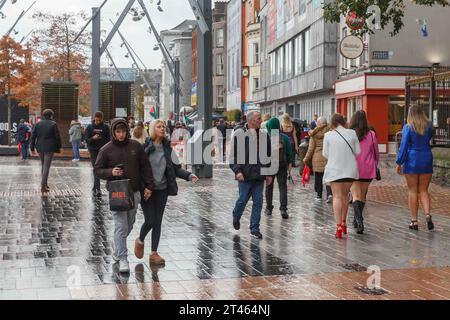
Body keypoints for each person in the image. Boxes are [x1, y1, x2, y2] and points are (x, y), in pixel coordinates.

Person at [94, 118, 155, 273]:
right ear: (114, 132)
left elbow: (145, 167)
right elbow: (97, 170)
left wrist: (149, 186)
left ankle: (117, 245)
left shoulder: (136, 146)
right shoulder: (106, 149)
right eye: (118, 132)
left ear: (127, 131)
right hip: (117, 192)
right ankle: (123, 258)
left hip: (134, 192)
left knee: (130, 223)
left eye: (123, 131)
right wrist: (110, 172)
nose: (121, 135)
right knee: (121, 226)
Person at [135, 119, 199, 266]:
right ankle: (140, 239)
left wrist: (189, 175)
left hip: (162, 190)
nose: (162, 128)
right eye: (159, 126)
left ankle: (154, 253)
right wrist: (144, 187)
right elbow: (140, 170)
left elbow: (176, 169)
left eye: (163, 126)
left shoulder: (168, 148)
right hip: (147, 190)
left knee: (158, 221)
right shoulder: (145, 147)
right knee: (150, 220)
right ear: (152, 129)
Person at [230, 111, 273, 239]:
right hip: (245, 175)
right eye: (258, 118)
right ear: (250, 121)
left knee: (258, 202)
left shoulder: (264, 135)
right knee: (242, 199)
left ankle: (254, 228)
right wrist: (237, 171)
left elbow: (269, 156)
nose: (261, 120)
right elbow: (233, 157)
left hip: (259, 176)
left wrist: (269, 173)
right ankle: (236, 215)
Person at [396, 106, 434, 231]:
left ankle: (414, 221)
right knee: (424, 190)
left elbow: (404, 144)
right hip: (426, 157)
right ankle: (428, 214)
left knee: (412, 191)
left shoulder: (408, 127)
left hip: (412, 158)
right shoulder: (428, 126)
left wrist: (399, 162)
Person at [323, 113, 361, 239]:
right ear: (343, 122)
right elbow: (358, 151)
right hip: (350, 169)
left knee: (337, 196)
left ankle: (338, 226)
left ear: (332, 123)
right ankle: (344, 223)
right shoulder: (352, 133)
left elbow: (325, 154)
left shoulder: (328, 135)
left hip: (335, 170)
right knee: (345, 196)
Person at [349, 111, 379, 234]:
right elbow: (376, 152)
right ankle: (358, 219)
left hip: (353, 167)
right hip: (368, 168)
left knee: (355, 195)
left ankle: (359, 220)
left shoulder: (350, 134)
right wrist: (376, 164)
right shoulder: (371, 134)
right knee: (362, 195)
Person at [264, 117, 293, 219]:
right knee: (282, 187)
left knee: (269, 187)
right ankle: (283, 209)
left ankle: (268, 208)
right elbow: (289, 153)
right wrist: (290, 164)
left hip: (269, 166)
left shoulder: (266, 137)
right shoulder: (284, 138)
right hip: (282, 165)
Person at [30, 109, 62, 194]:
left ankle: (45, 184)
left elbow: (33, 136)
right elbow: (57, 137)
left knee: (43, 165)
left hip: (40, 147)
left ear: (43, 115)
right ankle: (43, 186)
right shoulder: (53, 124)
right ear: (51, 116)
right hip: (50, 148)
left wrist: (32, 148)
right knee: (46, 167)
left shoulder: (37, 124)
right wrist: (59, 147)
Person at [303, 117, 332, 201]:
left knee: (318, 177)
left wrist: (305, 159)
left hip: (317, 158)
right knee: (328, 177)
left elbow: (311, 149)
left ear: (317, 124)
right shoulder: (330, 131)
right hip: (328, 157)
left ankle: (319, 195)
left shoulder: (314, 134)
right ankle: (329, 194)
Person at [85, 111, 111, 196]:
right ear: (94, 118)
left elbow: (108, 140)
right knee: (96, 168)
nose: (97, 122)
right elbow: (87, 141)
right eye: (96, 120)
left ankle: (95, 187)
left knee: (101, 168)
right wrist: (93, 138)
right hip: (93, 150)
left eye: (99, 120)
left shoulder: (105, 127)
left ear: (102, 119)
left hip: (103, 150)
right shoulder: (89, 127)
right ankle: (98, 188)